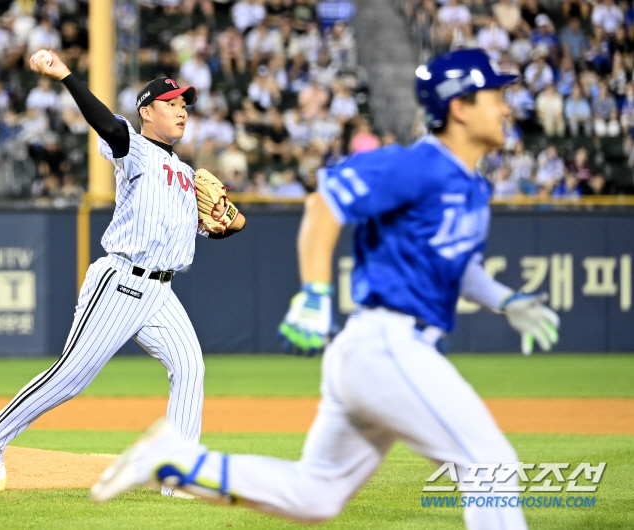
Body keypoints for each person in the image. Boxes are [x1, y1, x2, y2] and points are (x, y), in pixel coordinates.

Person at [89, 49, 560, 529]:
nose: (505, 107)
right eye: (493, 96)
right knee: (491, 466)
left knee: (315, 495)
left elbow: (460, 267)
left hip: (383, 353)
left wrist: (507, 300)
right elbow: (323, 204)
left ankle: (177, 462)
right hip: (388, 345)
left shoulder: (473, 187)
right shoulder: (416, 166)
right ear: (459, 107)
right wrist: (314, 295)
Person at [0, 50, 247, 493]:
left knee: (190, 367)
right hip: (120, 281)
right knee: (71, 377)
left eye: (185, 105)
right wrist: (64, 74)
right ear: (147, 111)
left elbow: (215, 230)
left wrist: (227, 220)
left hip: (163, 290)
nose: (182, 111)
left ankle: (177, 476)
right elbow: (106, 124)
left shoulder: (185, 173)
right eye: (172, 104)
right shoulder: (134, 148)